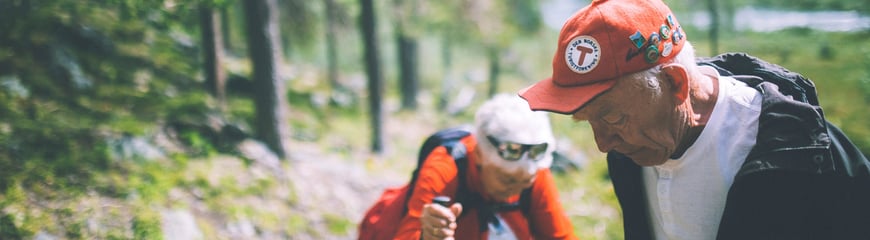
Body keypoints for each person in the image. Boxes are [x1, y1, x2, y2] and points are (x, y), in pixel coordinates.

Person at [518, 0, 870, 239]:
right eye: (587, 121)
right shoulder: (630, 152)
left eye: (612, 117)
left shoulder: (804, 153)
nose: (602, 144)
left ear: (676, 84)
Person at [393, 94, 577, 240]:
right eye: (507, 179)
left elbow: (560, 236)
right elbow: (408, 233)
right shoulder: (444, 168)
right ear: (479, 154)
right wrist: (427, 236)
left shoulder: (534, 168)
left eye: (526, 181)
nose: (518, 189)